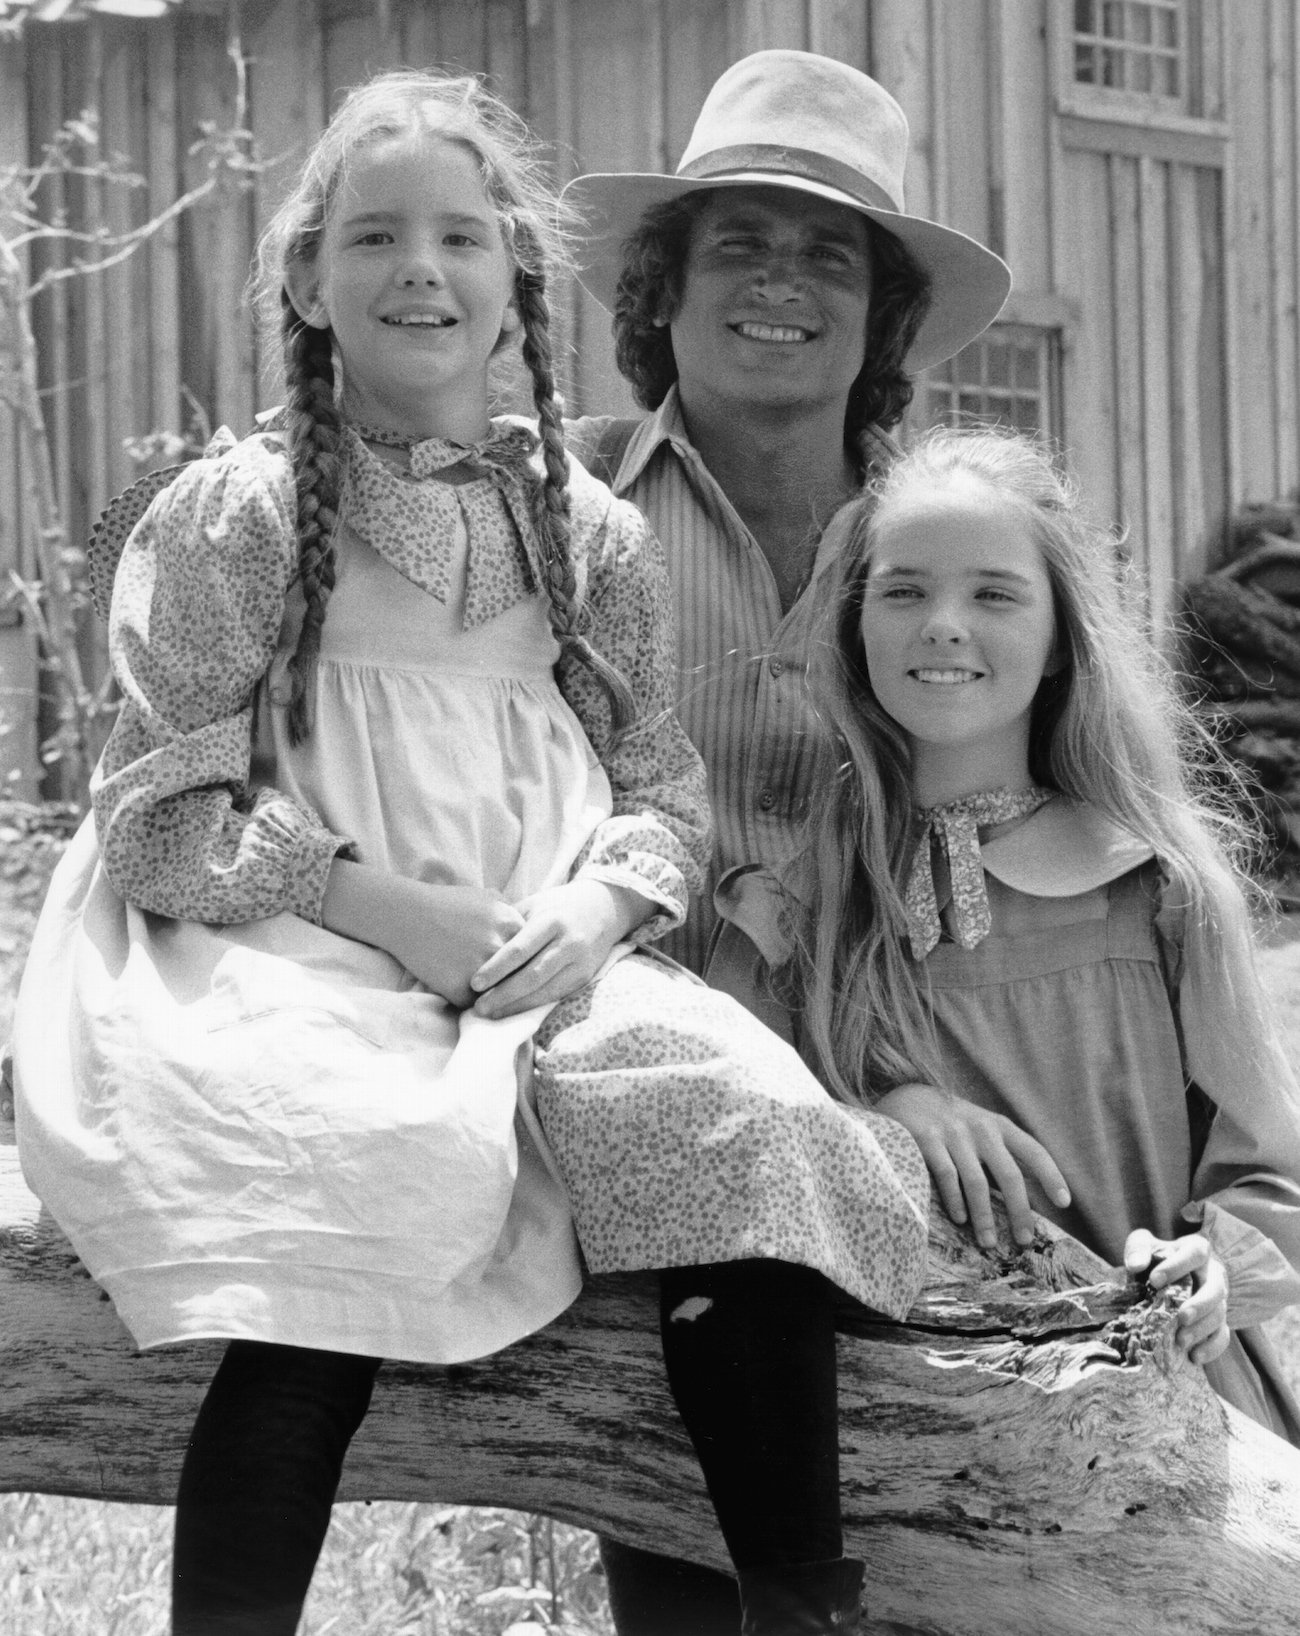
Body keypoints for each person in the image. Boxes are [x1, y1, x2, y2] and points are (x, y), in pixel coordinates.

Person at [11, 68, 932, 1636]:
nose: (418, 269)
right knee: (347, 1164)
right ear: (308, 279)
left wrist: (593, 911)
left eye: (457, 235)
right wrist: (379, 909)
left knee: (748, 1123)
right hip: (286, 945)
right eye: (373, 237)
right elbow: (158, 813)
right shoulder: (231, 515)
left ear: (517, 273)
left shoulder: (586, 529)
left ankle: (797, 1609)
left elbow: (659, 793)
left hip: (534, 953)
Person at [559, 48, 1011, 1628]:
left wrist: (902, 1064)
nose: (783, 283)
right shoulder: (565, 517)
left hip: (925, 1088)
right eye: (740, 244)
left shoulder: (946, 551)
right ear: (663, 295)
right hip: (631, 1100)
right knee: (686, 1577)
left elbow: (1002, 833)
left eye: (830, 255)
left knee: (987, 1537)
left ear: (883, 320)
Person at [714, 425, 1300, 1444]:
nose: (943, 624)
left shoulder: (1156, 886)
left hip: (1163, 1415)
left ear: (1063, 635)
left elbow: (1272, 1173)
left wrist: (1218, 1263)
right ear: (854, 627)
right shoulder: (798, 903)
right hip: (904, 1441)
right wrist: (888, 1108)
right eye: (902, 591)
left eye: (992, 593)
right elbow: (728, 1140)